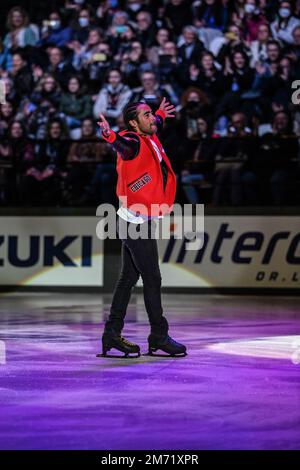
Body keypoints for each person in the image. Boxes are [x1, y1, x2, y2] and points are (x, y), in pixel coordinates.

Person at [97, 98, 187, 358]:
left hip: (137, 219)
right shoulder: (133, 141)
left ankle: (111, 335)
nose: (152, 119)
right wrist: (110, 136)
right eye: (147, 116)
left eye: (151, 115)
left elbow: (156, 121)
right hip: (135, 223)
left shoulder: (148, 129)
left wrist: (160, 113)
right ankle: (158, 336)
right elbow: (123, 147)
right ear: (134, 123)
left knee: (128, 278)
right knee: (153, 278)